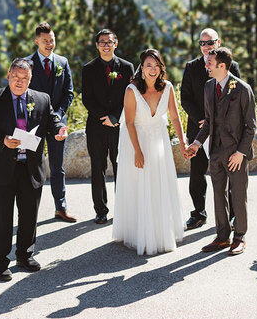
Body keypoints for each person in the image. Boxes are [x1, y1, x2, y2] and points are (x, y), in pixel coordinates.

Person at [0, 58, 68, 281]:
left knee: (29, 215)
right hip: (1, 169)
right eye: (16, 77)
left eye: (24, 78)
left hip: (31, 167)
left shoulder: (42, 99)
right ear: (9, 75)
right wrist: (2, 140)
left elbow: (52, 121)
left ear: (30, 79)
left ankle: (25, 256)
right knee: (1, 218)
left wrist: (58, 130)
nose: (19, 82)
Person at [112, 49, 185, 255]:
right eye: (148, 65)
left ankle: (161, 230)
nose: (152, 69)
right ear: (141, 68)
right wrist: (137, 151)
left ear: (161, 68)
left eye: (156, 65)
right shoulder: (131, 90)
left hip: (159, 141)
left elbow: (175, 118)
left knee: (159, 182)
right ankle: (138, 231)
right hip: (136, 141)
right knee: (140, 184)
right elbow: (128, 122)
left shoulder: (168, 88)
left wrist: (182, 143)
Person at [186, 47, 256, 255]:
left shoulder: (243, 89)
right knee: (218, 195)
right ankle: (222, 236)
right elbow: (208, 122)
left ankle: (240, 237)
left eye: (209, 63)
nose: (206, 66)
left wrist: (240, 153)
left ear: (222, 66)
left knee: (238, 196)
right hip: (215, 152)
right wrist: (197, 144)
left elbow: (250, 126)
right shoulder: (208, 87)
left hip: (236, 155)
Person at [181, 27, 241, 230]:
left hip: (225, 130)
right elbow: (185, 98)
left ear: (218, 42)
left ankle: (233, 216)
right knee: (197, 173)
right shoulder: (191, 67)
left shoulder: (232, 66)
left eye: (210, 42)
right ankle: (198, 213)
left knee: (230, 174)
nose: (206, 47)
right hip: (198, 129)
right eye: (202, 43)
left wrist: (216, 121)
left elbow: (237, 98)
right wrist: (202, 120)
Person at [82, 29, 134, 224]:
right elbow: (87, 98)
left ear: (116, 44)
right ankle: (100, 210)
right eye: (102, 42)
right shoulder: (88, 68)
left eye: (109, 42)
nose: (106, 45)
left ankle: (122, 208)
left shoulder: (127, 67)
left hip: (120, 124)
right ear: (97, 45)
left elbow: (131, 94)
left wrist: (116, 117)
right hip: (96, 125)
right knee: (98, 168)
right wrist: (104, 117)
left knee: (121, 166)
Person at [25, 22, 76, 223]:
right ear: (36, 41)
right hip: (33, 124)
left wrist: (58, 116)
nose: (50, 44)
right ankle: (29, 211)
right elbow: (22, 93)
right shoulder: (26, 64)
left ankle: (61, 207)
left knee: (58, 167)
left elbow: (69, 92)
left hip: (58, 124)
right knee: (31, 166)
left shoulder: (62, 62)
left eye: (52, 40)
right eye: (45, 41)